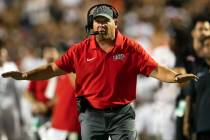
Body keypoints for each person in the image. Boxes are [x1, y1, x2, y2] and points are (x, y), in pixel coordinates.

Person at [1, 4, 198, 140]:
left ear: (115, 23)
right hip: (92, 114)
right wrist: (27, 75)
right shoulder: (80, 49)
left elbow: (155, 69)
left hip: (122, 114)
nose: (101, 25)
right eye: (97, 21)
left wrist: (175, 77)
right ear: (92, 25)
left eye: (105, 21)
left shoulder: (130, 48)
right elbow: (52, 69)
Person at [184, 35, 210, 140]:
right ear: (202, 50)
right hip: (201, 126)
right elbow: (189, 97)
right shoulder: (197, 71)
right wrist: (186, 122)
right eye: (207, 45)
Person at [0, 46, 23, 140]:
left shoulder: (11, 66)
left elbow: (17, 90)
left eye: (3, 54)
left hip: (10, 105)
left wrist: (20, 111)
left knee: (13, 135)